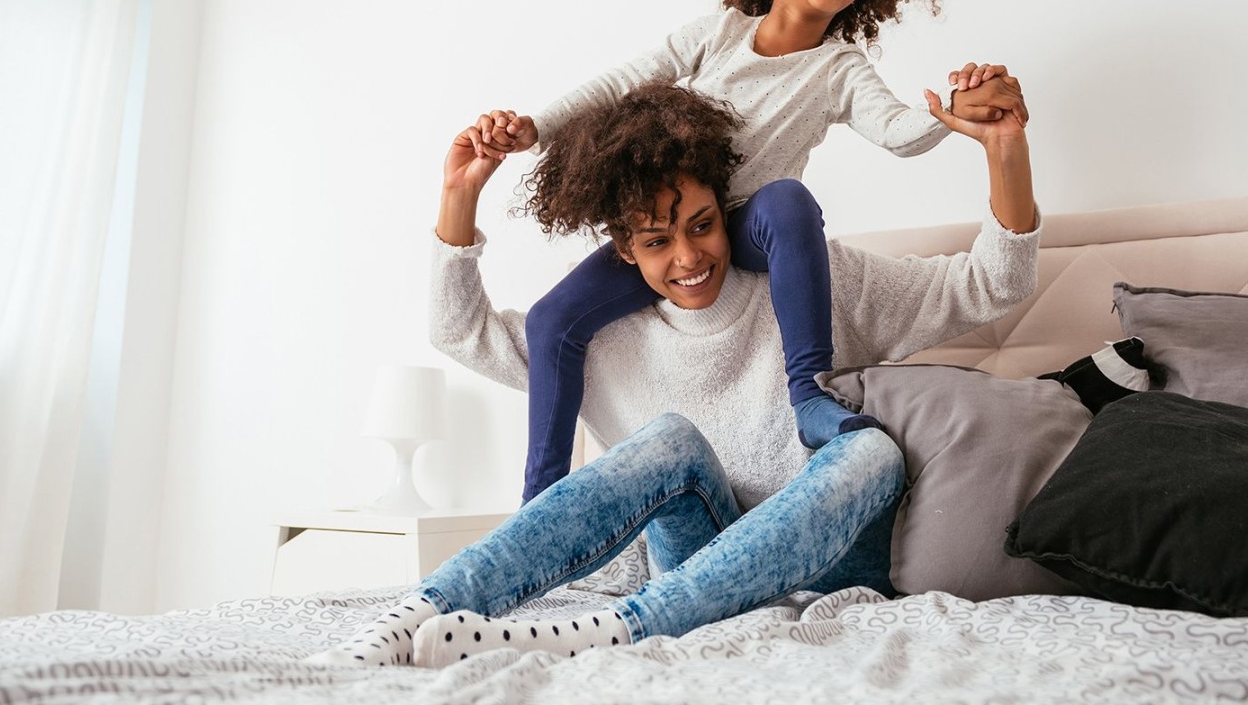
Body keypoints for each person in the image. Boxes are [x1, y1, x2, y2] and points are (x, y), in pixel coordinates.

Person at [314, 78, 1037, 667]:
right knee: (669, 439)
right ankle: (422, 611)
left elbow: (988, 287)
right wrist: (458, 198)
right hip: (698, 566)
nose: (688, 258)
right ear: (624, 252)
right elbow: (460, 332)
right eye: (658, 242)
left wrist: (1005, 150)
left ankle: (620, 630)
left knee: (873, 449)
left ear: (726, 212)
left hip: (838, 562)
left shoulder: (814, 282)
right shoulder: (600, 340)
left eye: (701, 225)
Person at [474, 0, 1028, 503]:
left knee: (787, 199)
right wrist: (534, 128)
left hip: (746, 231)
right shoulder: (718, 35)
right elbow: (623, 81)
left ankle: (809, 394)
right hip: (681, 225)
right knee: (550, 321)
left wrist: (946, 114)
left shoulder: (840, 68)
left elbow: (897, 132)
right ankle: (543, 499)